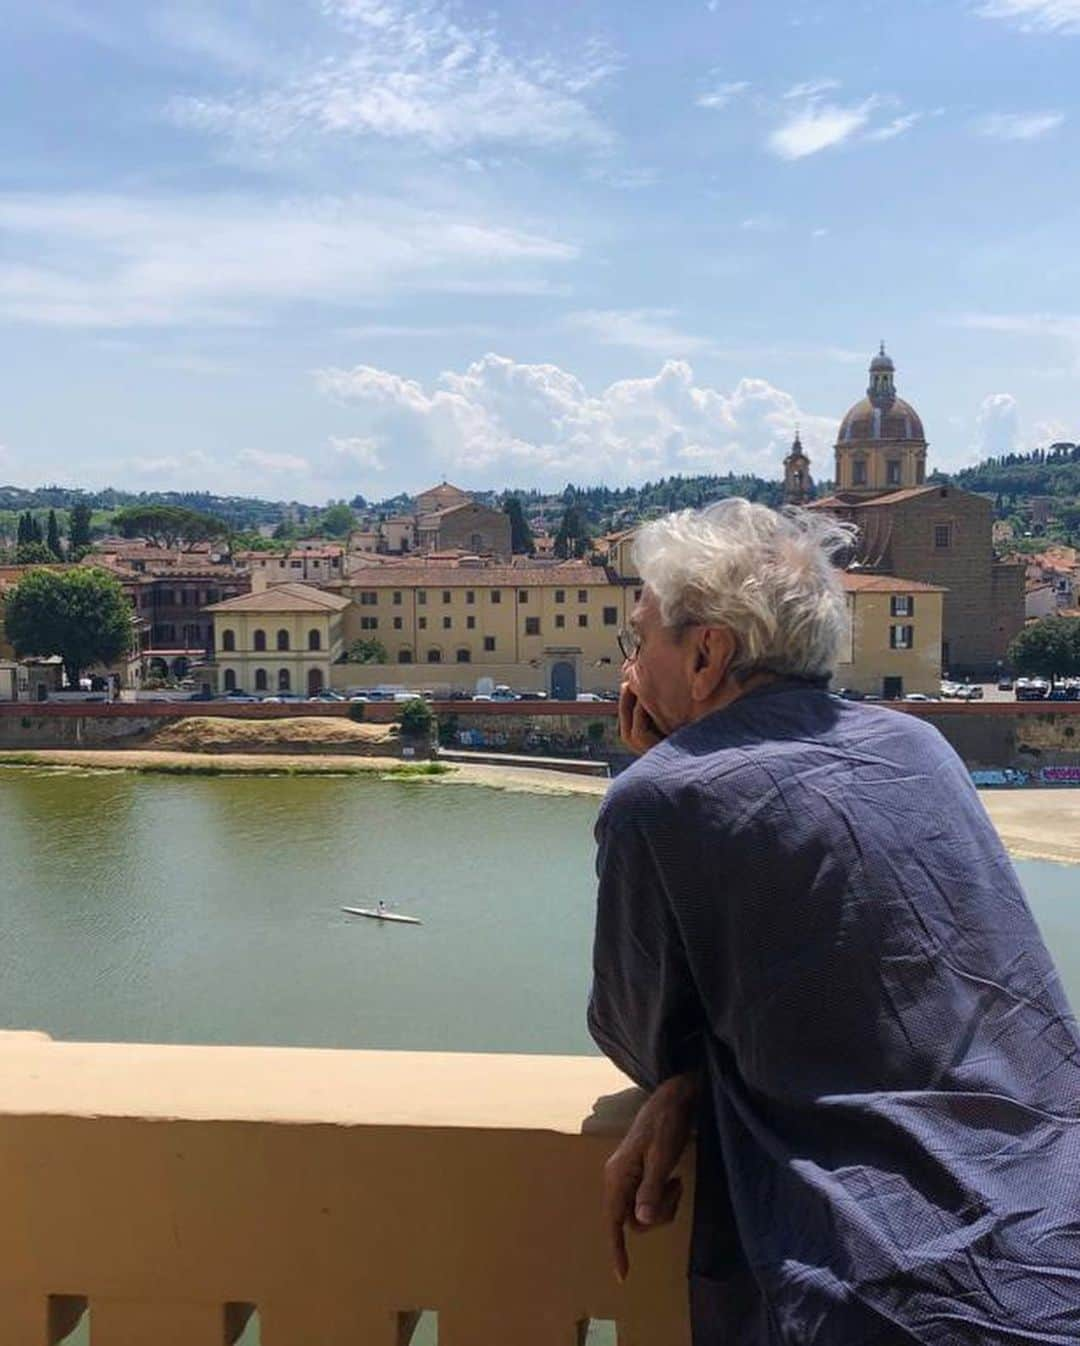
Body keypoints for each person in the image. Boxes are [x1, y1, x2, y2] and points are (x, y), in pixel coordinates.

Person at [588, 499, 1080, 1346]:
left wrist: (658, 768)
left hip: (887, 1290)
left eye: (640, 640)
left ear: (706, 653)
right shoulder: (919, 746)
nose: (629, 665)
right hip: (1057, 1234)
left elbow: (639, 1035)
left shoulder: (660, 800)